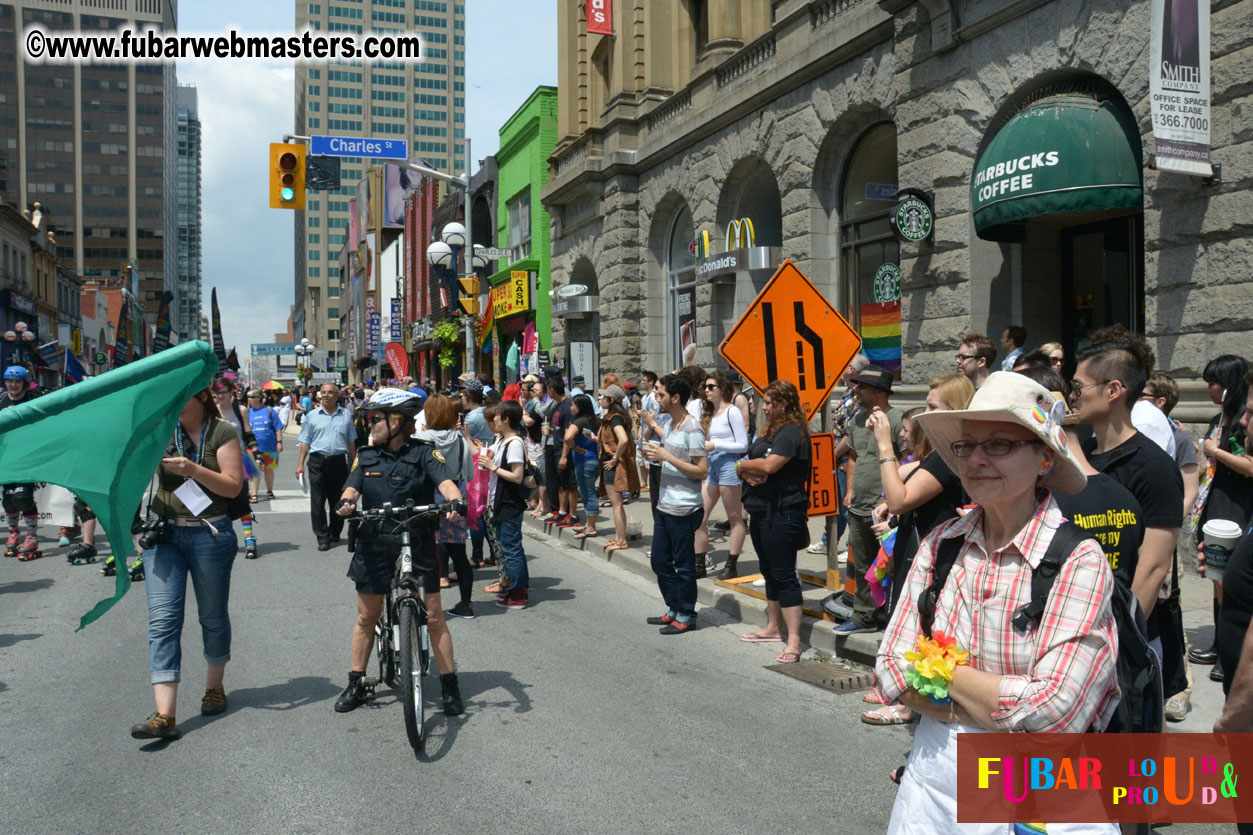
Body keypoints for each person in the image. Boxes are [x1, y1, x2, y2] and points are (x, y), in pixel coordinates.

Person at [875, 372, 1119, 832]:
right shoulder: (942, 544)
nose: (977, 460)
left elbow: (1055, 716)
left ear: (1045, 457)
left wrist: (939, 670)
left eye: (1000, 445)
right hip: (934, 795)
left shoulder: (1076, 559)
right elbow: (889, 670)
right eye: (968, 446)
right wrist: (1002, 704)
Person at [333, 388, 466, 715]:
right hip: (374, 541)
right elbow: (352, 484)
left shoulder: (424, 452)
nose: (369, 425)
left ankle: (450, 685)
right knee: (367, 616)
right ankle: (357, 682)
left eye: (374, 419)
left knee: (434, 617)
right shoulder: (366, 455)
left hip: (416, 539)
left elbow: (445, 481)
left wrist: (454, 500)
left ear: (396, 422)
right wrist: (348, 501)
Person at [130, 386, 245, 741]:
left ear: (201, 398)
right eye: (172, 400)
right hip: (165, 536)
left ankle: (214, 687)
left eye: (183, 399)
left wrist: (193, 469)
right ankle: (165, 715)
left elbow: (232, 487)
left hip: (209, 533)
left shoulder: (221, 431)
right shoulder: (161, 430)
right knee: (163, 620)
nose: (177, 407)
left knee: (211, 614)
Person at [860, 374, 974, 727]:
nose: (923, 415)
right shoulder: (942, 454)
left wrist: (883, 444)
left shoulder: (950, 454)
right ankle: (906, 698)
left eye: (931, 407)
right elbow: (910, 472)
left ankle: (911, 705)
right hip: (924, 550)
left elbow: (900, 497)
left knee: (922, 629)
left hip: (938, 557)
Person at [1073, 327, 1183, 679]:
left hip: (1123, 641)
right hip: (1079, 629)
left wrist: (1118, 643)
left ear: (1114, 390)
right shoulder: (1084, 454)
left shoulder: (1154, 468)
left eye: (1078, 387)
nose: (1071, 397)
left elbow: (1152, 569)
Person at [738, 380, 812, 663]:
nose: (764, 408)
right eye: (764, 402)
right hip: (760, 509)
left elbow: (769, 466)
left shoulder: (792, 433)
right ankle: (773, 627)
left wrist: (742, 465)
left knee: (784, 573)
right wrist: (742, 468)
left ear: (783, 404)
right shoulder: (771, 432)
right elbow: (750, 461)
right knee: (768, 569)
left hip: (784, 511)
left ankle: (793, 640)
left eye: (769, 403)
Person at [1194, 356, 1253, 679]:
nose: (1210, 389)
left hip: (1238, 505)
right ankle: (1220, 645)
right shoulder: (1221, 418)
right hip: (1217, 499)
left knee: (1227, 579)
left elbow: (1250, 466)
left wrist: (1216, 452)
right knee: (1215, 575)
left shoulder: (1243, 422)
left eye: (1214, 382)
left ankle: (1230, 654)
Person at [834, 364, 904, 634]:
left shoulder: (896, 419)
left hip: (885, 509)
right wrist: (849, 491)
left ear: (877, 391)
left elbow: (907, 461)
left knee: (891, 565)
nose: (856, 390)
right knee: (863, 565)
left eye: (861, 386)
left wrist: (891, 501)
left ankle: (895, 618)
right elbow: (853, 456)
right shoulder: (857, 419)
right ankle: (864, 618)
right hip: (859, 505)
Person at [641, 373, 707, 634]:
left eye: (661, 395)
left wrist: (666, 455)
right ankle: (674, 607)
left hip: (685, 507)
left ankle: (687, 613)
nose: (657, 399)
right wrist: (657, 456)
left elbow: (701, 470)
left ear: (676, 398)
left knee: (683, 563)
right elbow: (671, 459)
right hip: (666, 504)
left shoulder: (693, 428)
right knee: (659, 561)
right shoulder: (669, 424)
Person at [415, 393, 477, 619]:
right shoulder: (459, 440)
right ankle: (466, 603)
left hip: (426, 501)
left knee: (424, 554)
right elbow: (469, 474)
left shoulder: (419, 439)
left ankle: (424, 607)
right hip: (454, 503)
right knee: (459, 555)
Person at [809, 353, 870, 555]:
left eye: (843, 365)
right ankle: (829, 541)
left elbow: (849, 432)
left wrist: (833, 454)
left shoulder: (859, 397)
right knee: (834, 504)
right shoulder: (847, 393)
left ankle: (851, 548)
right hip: (836, 457)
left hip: (846, 459)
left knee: (847, 504)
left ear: (851, 370)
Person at [695, 371, 748, 579]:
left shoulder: (731, 411)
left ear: (722, 389)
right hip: (711, 465)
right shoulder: (709, 413)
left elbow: (743, 444)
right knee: (699, 516)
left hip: (728, 463)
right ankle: (699, 563)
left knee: (734, 516)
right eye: (705, 387)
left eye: (711, 387)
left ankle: (731, 564)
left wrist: (714, 444)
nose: (707, 391)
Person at [479, 400, 531, 608]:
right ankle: (513, 587)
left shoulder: (515, 443)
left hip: (509, 502)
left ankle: (519, 593)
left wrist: (493, 467)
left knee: (511, 548)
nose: (493, 421)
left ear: (507, 419)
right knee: (507, 546)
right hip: (499, 502)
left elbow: (517, 476)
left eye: (496, 417)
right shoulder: (501, 440)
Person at [295, 383, 357, 551]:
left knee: (338, 500)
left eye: (330, 392)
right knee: (317, 501)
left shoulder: (345, 415)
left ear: (337, 396)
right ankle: (322, 536)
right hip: (317, 462)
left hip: (338, 462)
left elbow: (351, 441)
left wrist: (355, 463)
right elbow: (305, 441)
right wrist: (300, 464)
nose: (326, 395)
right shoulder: (312, 416)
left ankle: (335, 532)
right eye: (323, 392)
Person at [213, 379, 262, 560]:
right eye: (217, 393)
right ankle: (220, 539)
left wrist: (257, 454)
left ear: (231, 393)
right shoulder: (210, 412)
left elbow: (248, 434)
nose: (220, 396)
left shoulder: (240, 410)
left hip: (238, 459)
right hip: (215, 460)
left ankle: (249, 537)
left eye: (223, 392)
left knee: (241, 499)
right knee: (217, 501)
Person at [1, 366, 42, 559]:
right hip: (7, 456)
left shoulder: (33, 400)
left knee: (23, 497)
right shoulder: (1, 401)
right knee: (8, 500)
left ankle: (32, 535)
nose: (13, 385)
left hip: (28, 455)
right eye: (9, 381)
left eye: (17, 381)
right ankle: (13, 533)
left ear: (24, 383)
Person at [598, 384, 639, 554]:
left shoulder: (614, 418)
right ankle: (619, 537)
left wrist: (614, 459)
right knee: (618, 504)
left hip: (612, 465)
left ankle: (621, 541)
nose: (600, 399)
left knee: (616, 505)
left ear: (611, 400)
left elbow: (622, 439)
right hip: (612, 463)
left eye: (603, 397)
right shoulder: (617, 416)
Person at [564, 393, 601, 537]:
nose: (571, 408)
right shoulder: (597, 420)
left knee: (588, 493)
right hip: (595, 459)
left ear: (579, 407)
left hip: (584, 460)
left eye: (573, 405)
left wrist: (574, 448)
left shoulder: (578, 422)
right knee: (588, 491)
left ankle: (591, 527)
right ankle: (588, 524)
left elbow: (568, 437)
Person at [542, 378, 578, 526]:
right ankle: (562, 511)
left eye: (548, 389)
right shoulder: (558, 406)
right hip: (556, 447)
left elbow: (568, 433)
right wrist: (551, 430)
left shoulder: (567, 406)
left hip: (564, 451)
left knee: (569, 484)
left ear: (552, 390)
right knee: (561, 483)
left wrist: (564, 456)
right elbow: (560, 428)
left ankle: (573, 514)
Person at [246, 389, 286, 502]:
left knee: (269, 470)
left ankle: (269, 491)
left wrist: (279, 442)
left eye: (251, 397)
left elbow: (278, 428)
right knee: (255, 470)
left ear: (258, 398)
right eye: (248, 397)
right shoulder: (248, 412)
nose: (249, 399)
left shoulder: (269, 411)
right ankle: (254, 494)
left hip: (270, 447)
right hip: (253, 448)